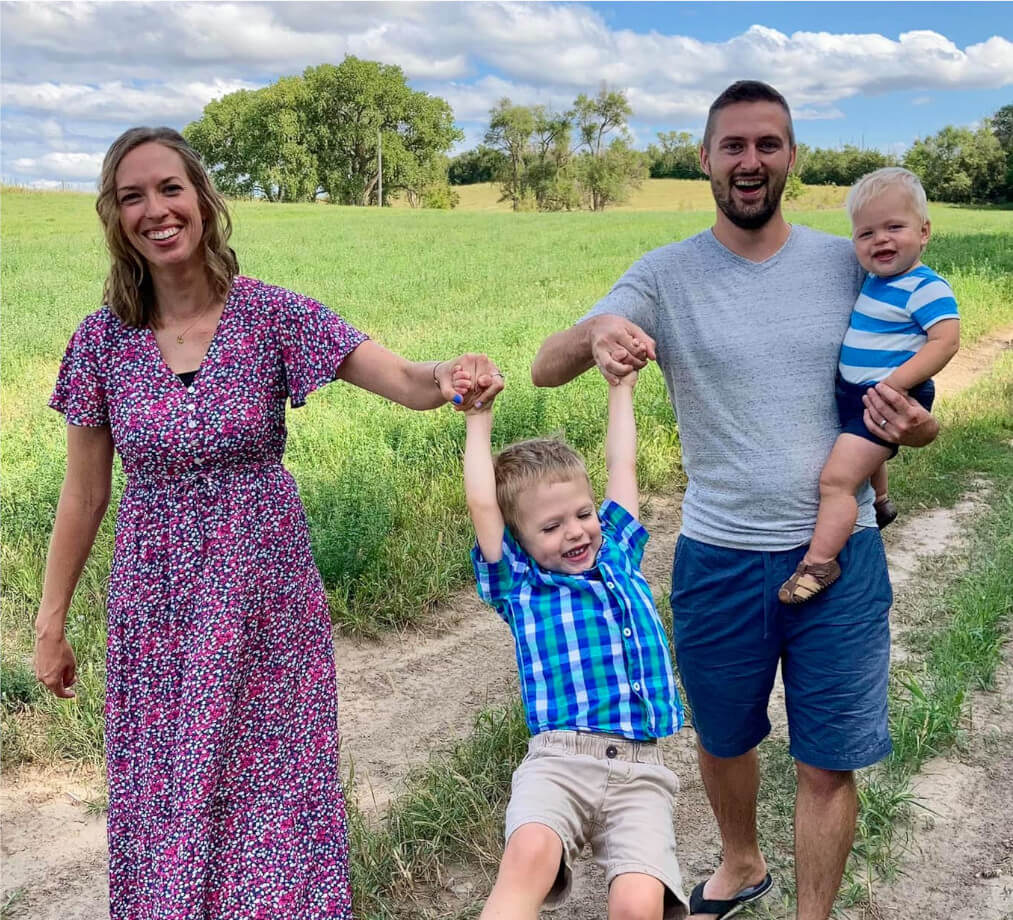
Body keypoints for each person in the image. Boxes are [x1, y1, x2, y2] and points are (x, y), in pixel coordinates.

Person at [33, 125, 503, 920]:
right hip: (157, 610)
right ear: (115, 217)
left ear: (202, 199)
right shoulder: (101, 341)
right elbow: (83, 496)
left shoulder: (270, 314)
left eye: (170, 188)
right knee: (166, 792)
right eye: (132, 196)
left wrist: (451, 374)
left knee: (274, 787)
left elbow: (404, 379)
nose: (155, 210)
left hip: (265, 602)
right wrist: (51, 622)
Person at [530, 81, 939, 920]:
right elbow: (544, 366)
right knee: (722, 738)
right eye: (733, 146)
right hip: (717, 555)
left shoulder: (850, 262)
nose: (750, 161)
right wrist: (596, 331)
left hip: (839, 555)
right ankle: (741, 862)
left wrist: (920, 430)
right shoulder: (664, 274)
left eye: (767, 144)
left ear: (790, 157)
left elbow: (918, 371)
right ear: (705, 159)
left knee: (826, 762)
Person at [458, 359, 689, 920]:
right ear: (520, 541)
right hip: (559, 762)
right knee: (529, 855)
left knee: (639, 902)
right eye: (551, 526)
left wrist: (621, 389)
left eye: (583, 514)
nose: (575, 531)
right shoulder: (520, 583)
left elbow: (622, 465)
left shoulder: (618, 553)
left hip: (640, 770)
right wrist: (478, 419)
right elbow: (482, 503)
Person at [778, 167, 959, 604]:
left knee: (837, 480)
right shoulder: (877, 282)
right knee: (860, 456)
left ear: (924, 231)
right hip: (858, 393)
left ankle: (820, 563)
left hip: (889, 396)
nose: (880, 240)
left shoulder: (926, 287)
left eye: (894, 227)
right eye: (866, 233)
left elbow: (946, 341)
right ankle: (880, 501)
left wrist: (894, 385)